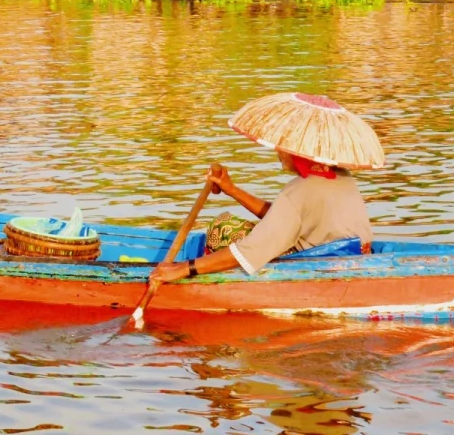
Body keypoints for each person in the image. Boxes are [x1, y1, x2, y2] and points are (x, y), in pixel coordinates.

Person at [146, 92, 379, 296]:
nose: (279, 152)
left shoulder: (299, 190)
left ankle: (210, 288)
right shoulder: (342, 176)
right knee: (230, 227)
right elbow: (283, 217)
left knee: (222, 227)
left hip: (317, 259)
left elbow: (252, 250)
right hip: (354, 254)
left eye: (283, 148)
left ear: (297, 152)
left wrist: (185, 268)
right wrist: (232, 189)